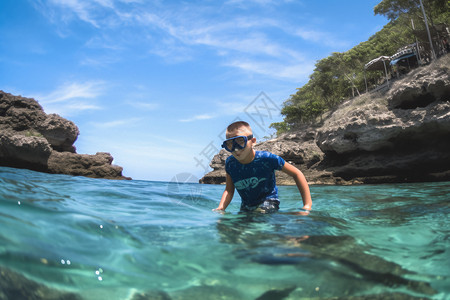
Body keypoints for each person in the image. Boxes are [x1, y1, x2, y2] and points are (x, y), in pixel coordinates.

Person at [213, 121, 312, 214]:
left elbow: (297, 173)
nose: (235, 148)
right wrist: (221, 208)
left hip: (269, 202)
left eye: (240, 141)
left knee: (258, 221)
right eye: (230, 144)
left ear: (253, 141)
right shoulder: (230, 163)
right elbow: (229, 190)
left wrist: (307, 205)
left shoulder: (267, 158)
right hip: (246, 206)